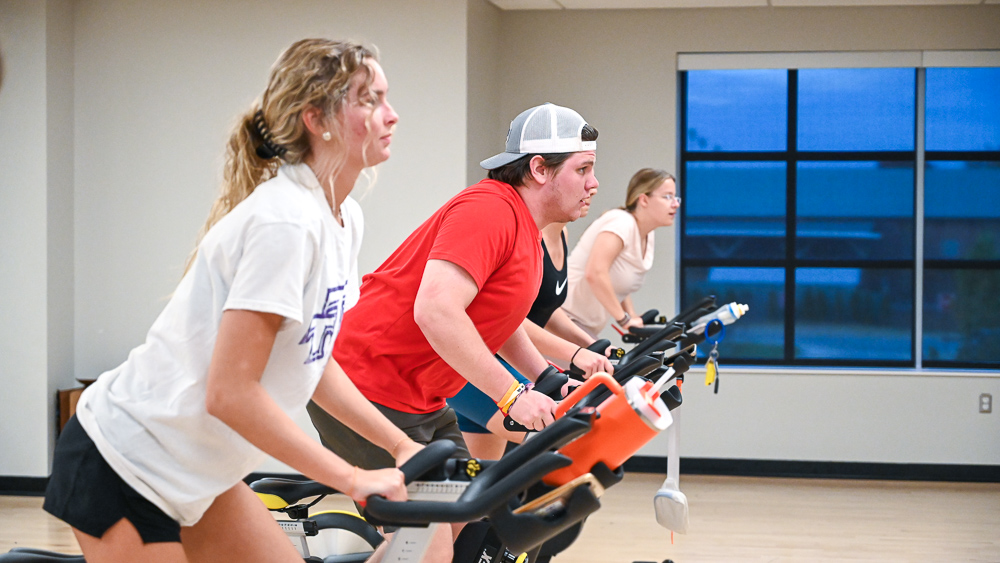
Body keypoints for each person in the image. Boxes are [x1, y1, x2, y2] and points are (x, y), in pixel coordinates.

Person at [42, 39, 422, 563]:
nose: (391, 114)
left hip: (199, 470)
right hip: (125, 460)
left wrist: (399, 445)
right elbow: (230, 393)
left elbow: (314, 359)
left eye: (385, 96)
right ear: (318, 118)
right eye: (368, 99)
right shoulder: (285, 222)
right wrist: (351, 477)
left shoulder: (340, 219)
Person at [308, 102, 600, 562]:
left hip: (423, 397)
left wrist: (544, 376)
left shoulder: (525, 228)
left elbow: (497, 321)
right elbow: (437, 310)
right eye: (582, 169)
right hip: (368, 384)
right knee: (430, 545)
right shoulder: (490, 210)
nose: (593, 184)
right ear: (539, 169)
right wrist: (512, 396)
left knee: (465, 520)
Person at [447, 190, 612, 460]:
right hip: (481, 363)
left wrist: (587, 345)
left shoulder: (560, 236)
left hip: (508, 359)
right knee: (562, 443)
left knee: (482, 482)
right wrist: (573, 353)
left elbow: (546, 309)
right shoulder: (525, 234)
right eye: (581, 170)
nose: (592, 186)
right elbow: (505, 317)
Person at [561, 168, 680, 339]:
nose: (675, 203)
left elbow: (618, 278)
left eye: (675, 197)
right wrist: (624, 320)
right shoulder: (621, 222)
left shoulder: (646, 233)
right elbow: (595, 273)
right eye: (667, 197)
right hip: (564, 318)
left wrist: (632, 315)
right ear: (644, 199)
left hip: (584, 325)